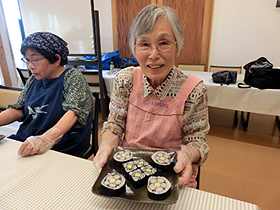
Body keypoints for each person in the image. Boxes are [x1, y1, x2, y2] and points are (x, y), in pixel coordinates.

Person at [93, 4, 210, 187]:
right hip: (128, 171)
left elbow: (197, 142)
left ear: (177, 47)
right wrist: (107, 143)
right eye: (144, 44)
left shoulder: (194, 90)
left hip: (171, 176)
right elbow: (114, 125)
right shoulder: (125, 80)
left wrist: (187, 154)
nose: (154, 55)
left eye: (163, 43)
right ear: (134, 48)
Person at [0, 32, 94, 157]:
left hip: (60, 144)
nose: (30, 66)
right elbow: (19, 108)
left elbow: (74, 113)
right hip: (29, 138)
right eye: (27, 60)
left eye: (35, 60)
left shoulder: (72, 77)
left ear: (56, 59)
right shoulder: (34, 79)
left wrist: (45, 139)